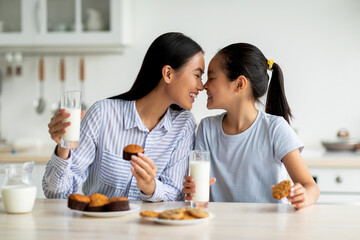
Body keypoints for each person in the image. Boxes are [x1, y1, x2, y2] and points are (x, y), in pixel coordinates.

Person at [44, 32, 205, 201]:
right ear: (168, 74)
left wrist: (150, 187)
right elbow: (56, 193)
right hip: (100, 224)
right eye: (197, 75)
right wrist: (63, 146)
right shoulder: (102, 114)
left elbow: (175, 194)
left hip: (152, 226)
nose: (201, 86)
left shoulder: (184, 124)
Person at [183, 43, 319, 210]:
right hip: (221, 228)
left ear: (239, 84)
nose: (204, 86)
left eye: (211, 78)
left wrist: (303, 195)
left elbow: (310, 187)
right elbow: (198, 191)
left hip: (269, 228)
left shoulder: (275, 128)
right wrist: (193, 189)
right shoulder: (207, 128)